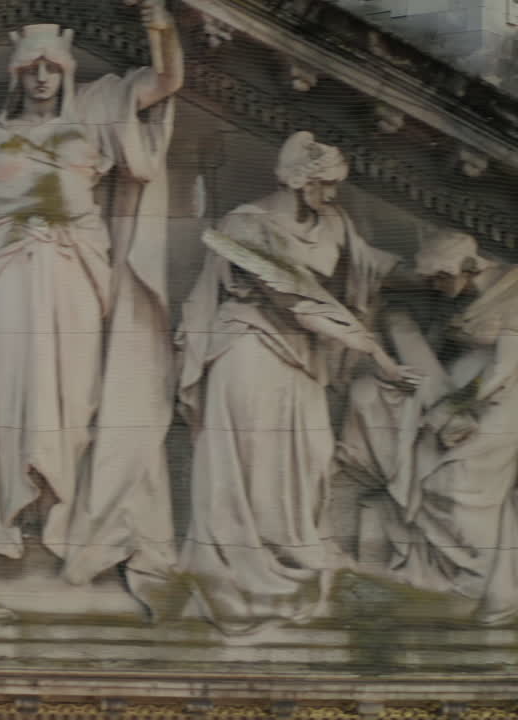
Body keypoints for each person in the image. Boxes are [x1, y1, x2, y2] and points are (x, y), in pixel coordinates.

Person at [0, 6, 183, 625]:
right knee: (6, 400)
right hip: (2, 281)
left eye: (53, 68)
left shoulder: (95, 116)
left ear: (67, 72)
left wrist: (160, 24)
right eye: (33, 69)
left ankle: (66, 524)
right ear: (17, 75)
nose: (43, 78)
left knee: (73, 406)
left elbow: (165, 82)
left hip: (76, 277)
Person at [176, 131, 421, 634]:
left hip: (304, 355)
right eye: (325, 184)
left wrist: (441, 269)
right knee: (256, 459)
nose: (332, 194)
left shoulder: (335, 222)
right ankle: (249, 567)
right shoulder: (245, 225)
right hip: (249, 346)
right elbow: (296, 297)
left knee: (312, 452)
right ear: (299, 180)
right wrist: (376, 352)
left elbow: (372, 267)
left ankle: (300, 546)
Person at [343, 232, 518, 624]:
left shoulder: (513, 291)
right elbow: (441, 350)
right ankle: (472, 573)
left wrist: (459, 410)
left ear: (466, 270)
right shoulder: (462, 297)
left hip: (503, 405)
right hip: (469, 399)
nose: (436, 287)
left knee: (455, 483)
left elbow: (505, 367)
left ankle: (482, 575)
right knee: (432, 474)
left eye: (440, 278)